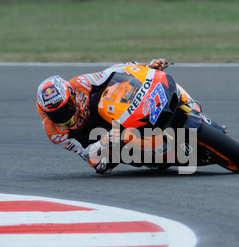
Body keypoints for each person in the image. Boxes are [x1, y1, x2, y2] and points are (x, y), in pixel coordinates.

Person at [36, 58, 169, 174]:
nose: (62, 117)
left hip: (96, 110)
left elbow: (111, 71)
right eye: (55, 115)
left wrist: (145, 66)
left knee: (115, 89)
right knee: (101, 166)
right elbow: (85, 152)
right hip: (89, 135)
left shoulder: (79, 83)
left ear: (72, 95)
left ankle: (145, 112)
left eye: (65, 109)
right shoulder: (54, 132)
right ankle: (148, 156)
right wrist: (104, 142)